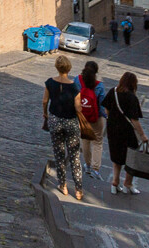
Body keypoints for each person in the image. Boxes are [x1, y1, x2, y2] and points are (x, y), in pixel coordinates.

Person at [42, 54, 84, 200]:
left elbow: (45, 101)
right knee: (74, 156)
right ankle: (78, 189)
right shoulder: (74, 86)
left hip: (55, 121)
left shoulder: (49, 82)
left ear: (57, 67)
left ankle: (63, 185)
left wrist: (45, 114)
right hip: (71, 122)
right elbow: (78, 108)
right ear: (69, 68)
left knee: (59, 154)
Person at [104, 71, 148, 195]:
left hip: (113, 129)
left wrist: (113, 118)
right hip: (127, 131)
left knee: (116, 156)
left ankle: (115, 182)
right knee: (132, 157)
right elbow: (134, 120)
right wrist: (142, 135)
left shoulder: (113, 91)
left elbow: (106, 108)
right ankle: (127, 183)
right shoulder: (132, 98)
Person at [79, 60, 107, 180]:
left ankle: (87, 165)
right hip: (96, 118)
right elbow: (102, 104)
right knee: (97, 142)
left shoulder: (78, 81)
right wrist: (105, 116)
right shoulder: (99, 86)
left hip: (82, 116)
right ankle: (95, 169)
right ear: (96, 72)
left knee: (85, 141)